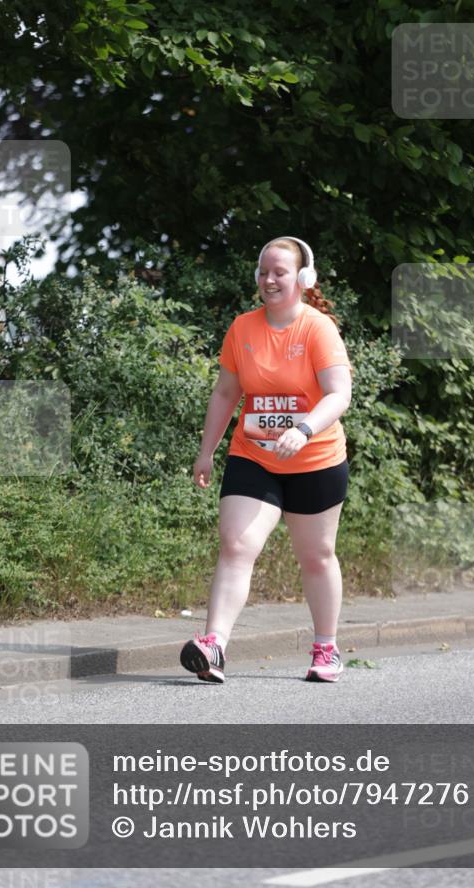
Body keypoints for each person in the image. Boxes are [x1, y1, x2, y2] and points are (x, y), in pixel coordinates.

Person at [180, 236, 352, 683]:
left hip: (316, 458)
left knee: (316, 556)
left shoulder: (317, 328)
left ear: (302, 278)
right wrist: (207, 451)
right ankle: (214, 646)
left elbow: (339, 394)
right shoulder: (243, 328)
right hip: (253, 455)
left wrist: (304, 429)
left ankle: (326, 649)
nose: (269, 280)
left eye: (279, 272)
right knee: (236, 545)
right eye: (263, 272)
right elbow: (226, 393)